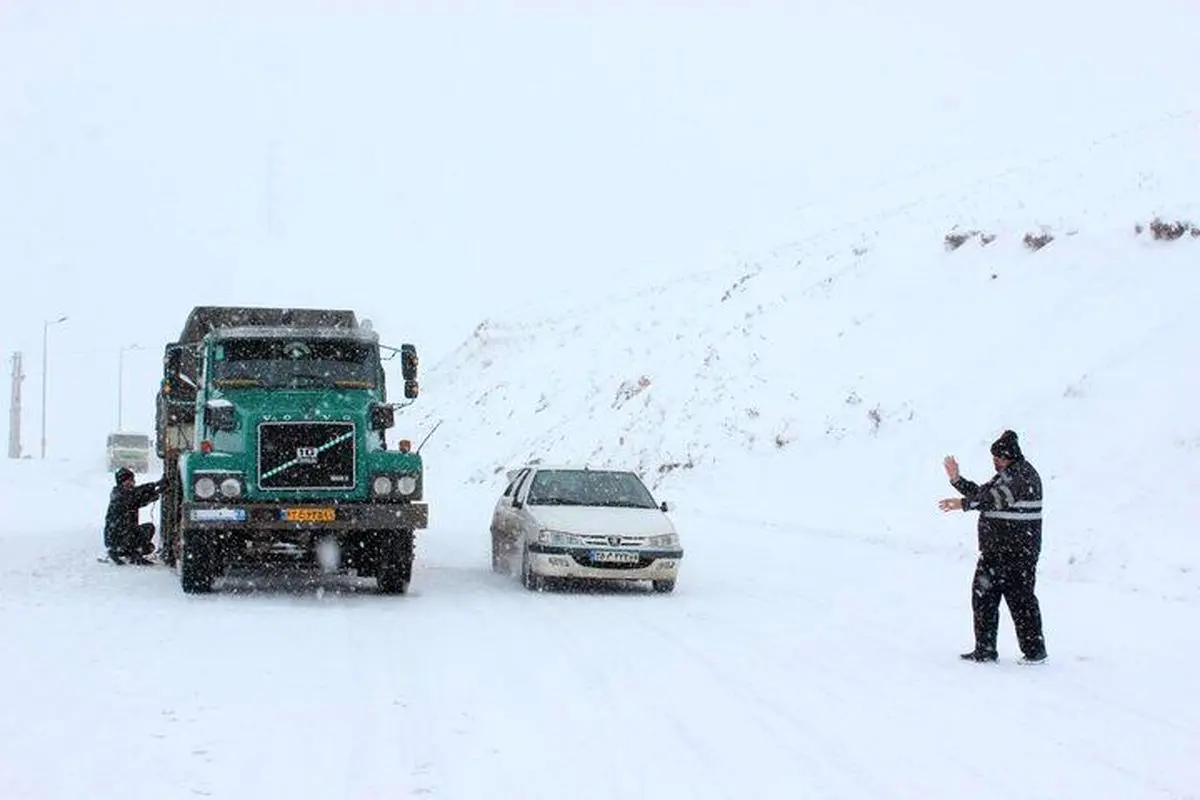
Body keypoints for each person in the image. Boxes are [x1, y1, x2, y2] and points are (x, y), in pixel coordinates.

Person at [938, 430, 1048, 664]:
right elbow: (983, 493)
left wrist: (963, 504)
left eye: (998, 458)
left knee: (1021, 602)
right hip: (995, 552)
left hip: (1018, 554)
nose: (994, 462)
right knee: (983, 599)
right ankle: (985, 649)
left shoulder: (1023, 477)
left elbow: (994, 499)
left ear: (1009, 456)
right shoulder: (1006, 475)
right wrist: (957, 480)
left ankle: (1035, 652)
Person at [104, 468, 166, 565]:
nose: (132, 483)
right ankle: (134, 552)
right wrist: (155, 485)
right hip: (119, 535)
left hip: (121, 535)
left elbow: (140, 500)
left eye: (133, 480)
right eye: (129, 481)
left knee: (149, 547)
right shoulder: (119, 495)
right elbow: (136, 495)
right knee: (148, 530)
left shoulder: (122, 494)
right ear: (122, 482)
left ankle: (124, 551)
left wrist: (157, 491)